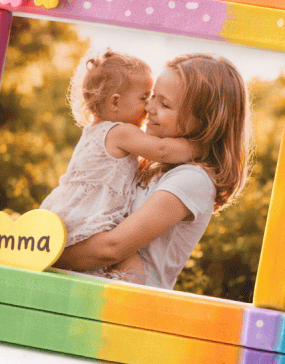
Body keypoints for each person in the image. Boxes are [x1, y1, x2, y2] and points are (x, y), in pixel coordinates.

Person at [57, 53, 251, 289]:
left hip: (130, 305)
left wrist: (46, 253)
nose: (149, 107)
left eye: (164, 104)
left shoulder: (193, 179)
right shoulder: (149, 165)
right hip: (91, 288)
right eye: (150, 97)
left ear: (206, 121)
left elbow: (112, 248)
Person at [40, 49, 198, 283]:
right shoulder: (121, 132)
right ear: (115, 102)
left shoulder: (93, 131)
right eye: (144, 98)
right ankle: (128, 304)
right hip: (92, 217)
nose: (148, 107)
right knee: (128, 260)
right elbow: (162, 150)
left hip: (69, 215)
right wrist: (200, 147)